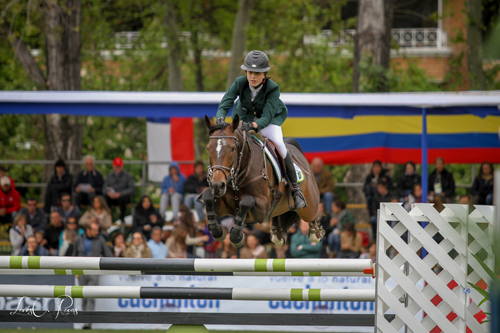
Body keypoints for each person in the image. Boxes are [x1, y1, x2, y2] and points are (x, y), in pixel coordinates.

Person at [215, 50, 306, 209]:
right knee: (230, 143)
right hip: (244, 115)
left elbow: (267, 116)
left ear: (265, 74)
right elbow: (226, 101)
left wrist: (253, 126)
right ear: (246, 72)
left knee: (279, 144)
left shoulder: (272, 88)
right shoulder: (239, 82)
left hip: (270, 118)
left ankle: (295, 190)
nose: (253, 77)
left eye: (257, 73)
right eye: (250, 72)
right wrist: (220, 118)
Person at [73, 222, 113, 329]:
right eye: (95, 230)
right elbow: (73, 254)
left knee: (90, 296)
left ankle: (87, 323)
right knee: (83, 297)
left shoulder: (100, 240)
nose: (97, 232)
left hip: (94, 271)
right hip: (80, 271)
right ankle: (85, 321)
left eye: (97, 230)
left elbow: (108, 254)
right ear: (88, 230)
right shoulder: (78, 239)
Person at [103, 157, 135, 222]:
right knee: (105, 198)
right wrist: (108, 193)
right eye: (116, 166)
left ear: (122, 166)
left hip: (123, 197)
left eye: (119, 166)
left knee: (123, 198)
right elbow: (104, 188)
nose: (118, 168)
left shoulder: (127, 176)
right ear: (113, 166)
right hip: (112, 197)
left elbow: (132, 189)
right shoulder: (109, 176)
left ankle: (122, 218)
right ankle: (110, 217)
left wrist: (121, 194)